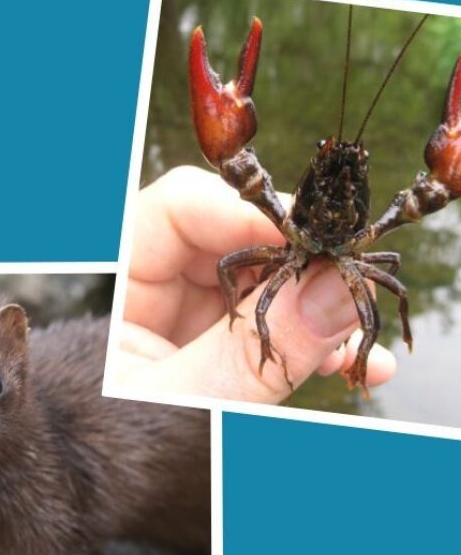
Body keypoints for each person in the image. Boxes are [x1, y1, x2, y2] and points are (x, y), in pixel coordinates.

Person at [109, 166, 396, 404]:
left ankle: (358, 363)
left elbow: (393, 272)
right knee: (236, 277)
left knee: (373, 323)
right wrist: (235, 312)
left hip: (338, 255)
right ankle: (244, 326)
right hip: (291, 252)